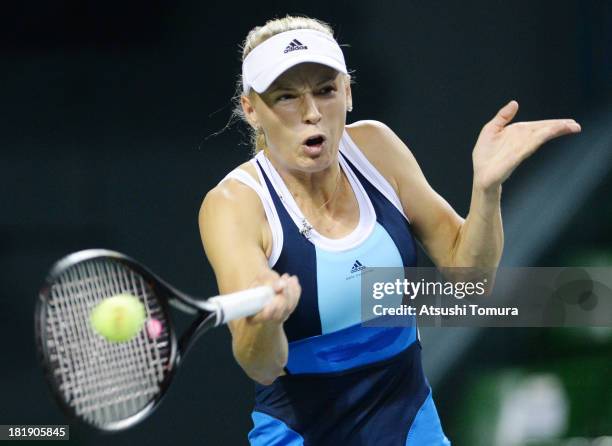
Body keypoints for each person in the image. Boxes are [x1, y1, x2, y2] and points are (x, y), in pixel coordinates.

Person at [198, 15, 581, 445]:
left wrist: (486, 191)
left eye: (325, 90)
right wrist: (267, 323)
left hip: (413, 429)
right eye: (286, 97)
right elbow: (261, 364)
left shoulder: (376, 149)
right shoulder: (234, 204)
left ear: (347, 92)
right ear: (251, 110)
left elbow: (470, 285)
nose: (310, 113)